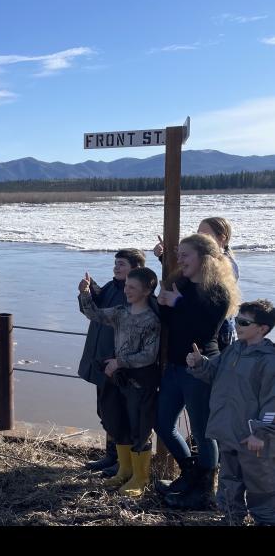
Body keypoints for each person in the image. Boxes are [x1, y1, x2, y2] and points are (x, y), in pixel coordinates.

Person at [155, 233, 241, 509]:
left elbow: (204, 329)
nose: (179, 259)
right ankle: (190, 475)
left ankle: (204, 492)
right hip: (174, 367)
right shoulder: (180, 283)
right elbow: (168, 320)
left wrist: (177, 303)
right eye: (178, 254)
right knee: (162, 423)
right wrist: (164, 302)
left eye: (185, 254)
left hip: (201, 368)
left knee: (204, 433)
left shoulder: (217, 291)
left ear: (204, 258)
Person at [186, 299, 275, 525]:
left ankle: (266, 521)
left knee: (260, 487)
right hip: (228, 432)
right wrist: (199, 363)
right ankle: (231, 519)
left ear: (262, 329)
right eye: (237, 320)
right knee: (229, 481)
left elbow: (272, 403)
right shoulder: (234, 350)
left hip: (253, 440)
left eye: (244, 322)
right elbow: (213, 374)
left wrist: (261, 434)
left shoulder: (269, 361)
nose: (238, 325)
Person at [78, 266, 161, 497]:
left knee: (139, 428)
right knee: (117, 422)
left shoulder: (152, 319)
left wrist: (120, 362)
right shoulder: (121, 311)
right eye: (126, 286)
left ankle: (141, 477)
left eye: (132, 287)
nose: (126, 290)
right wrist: (85, 294)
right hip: (119, 378)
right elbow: (94, 314)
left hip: (140, 380)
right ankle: (124, 471)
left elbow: (149, 355)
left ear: (147, 290)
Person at [154, 217, 239, 350]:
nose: (200, 237)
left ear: (222, 238)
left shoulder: (225, 269)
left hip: (221, 332)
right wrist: (166, 256)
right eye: (198, 233)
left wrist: (179, 302)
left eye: (204, 234)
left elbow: (204, 320)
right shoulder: (188, 280)